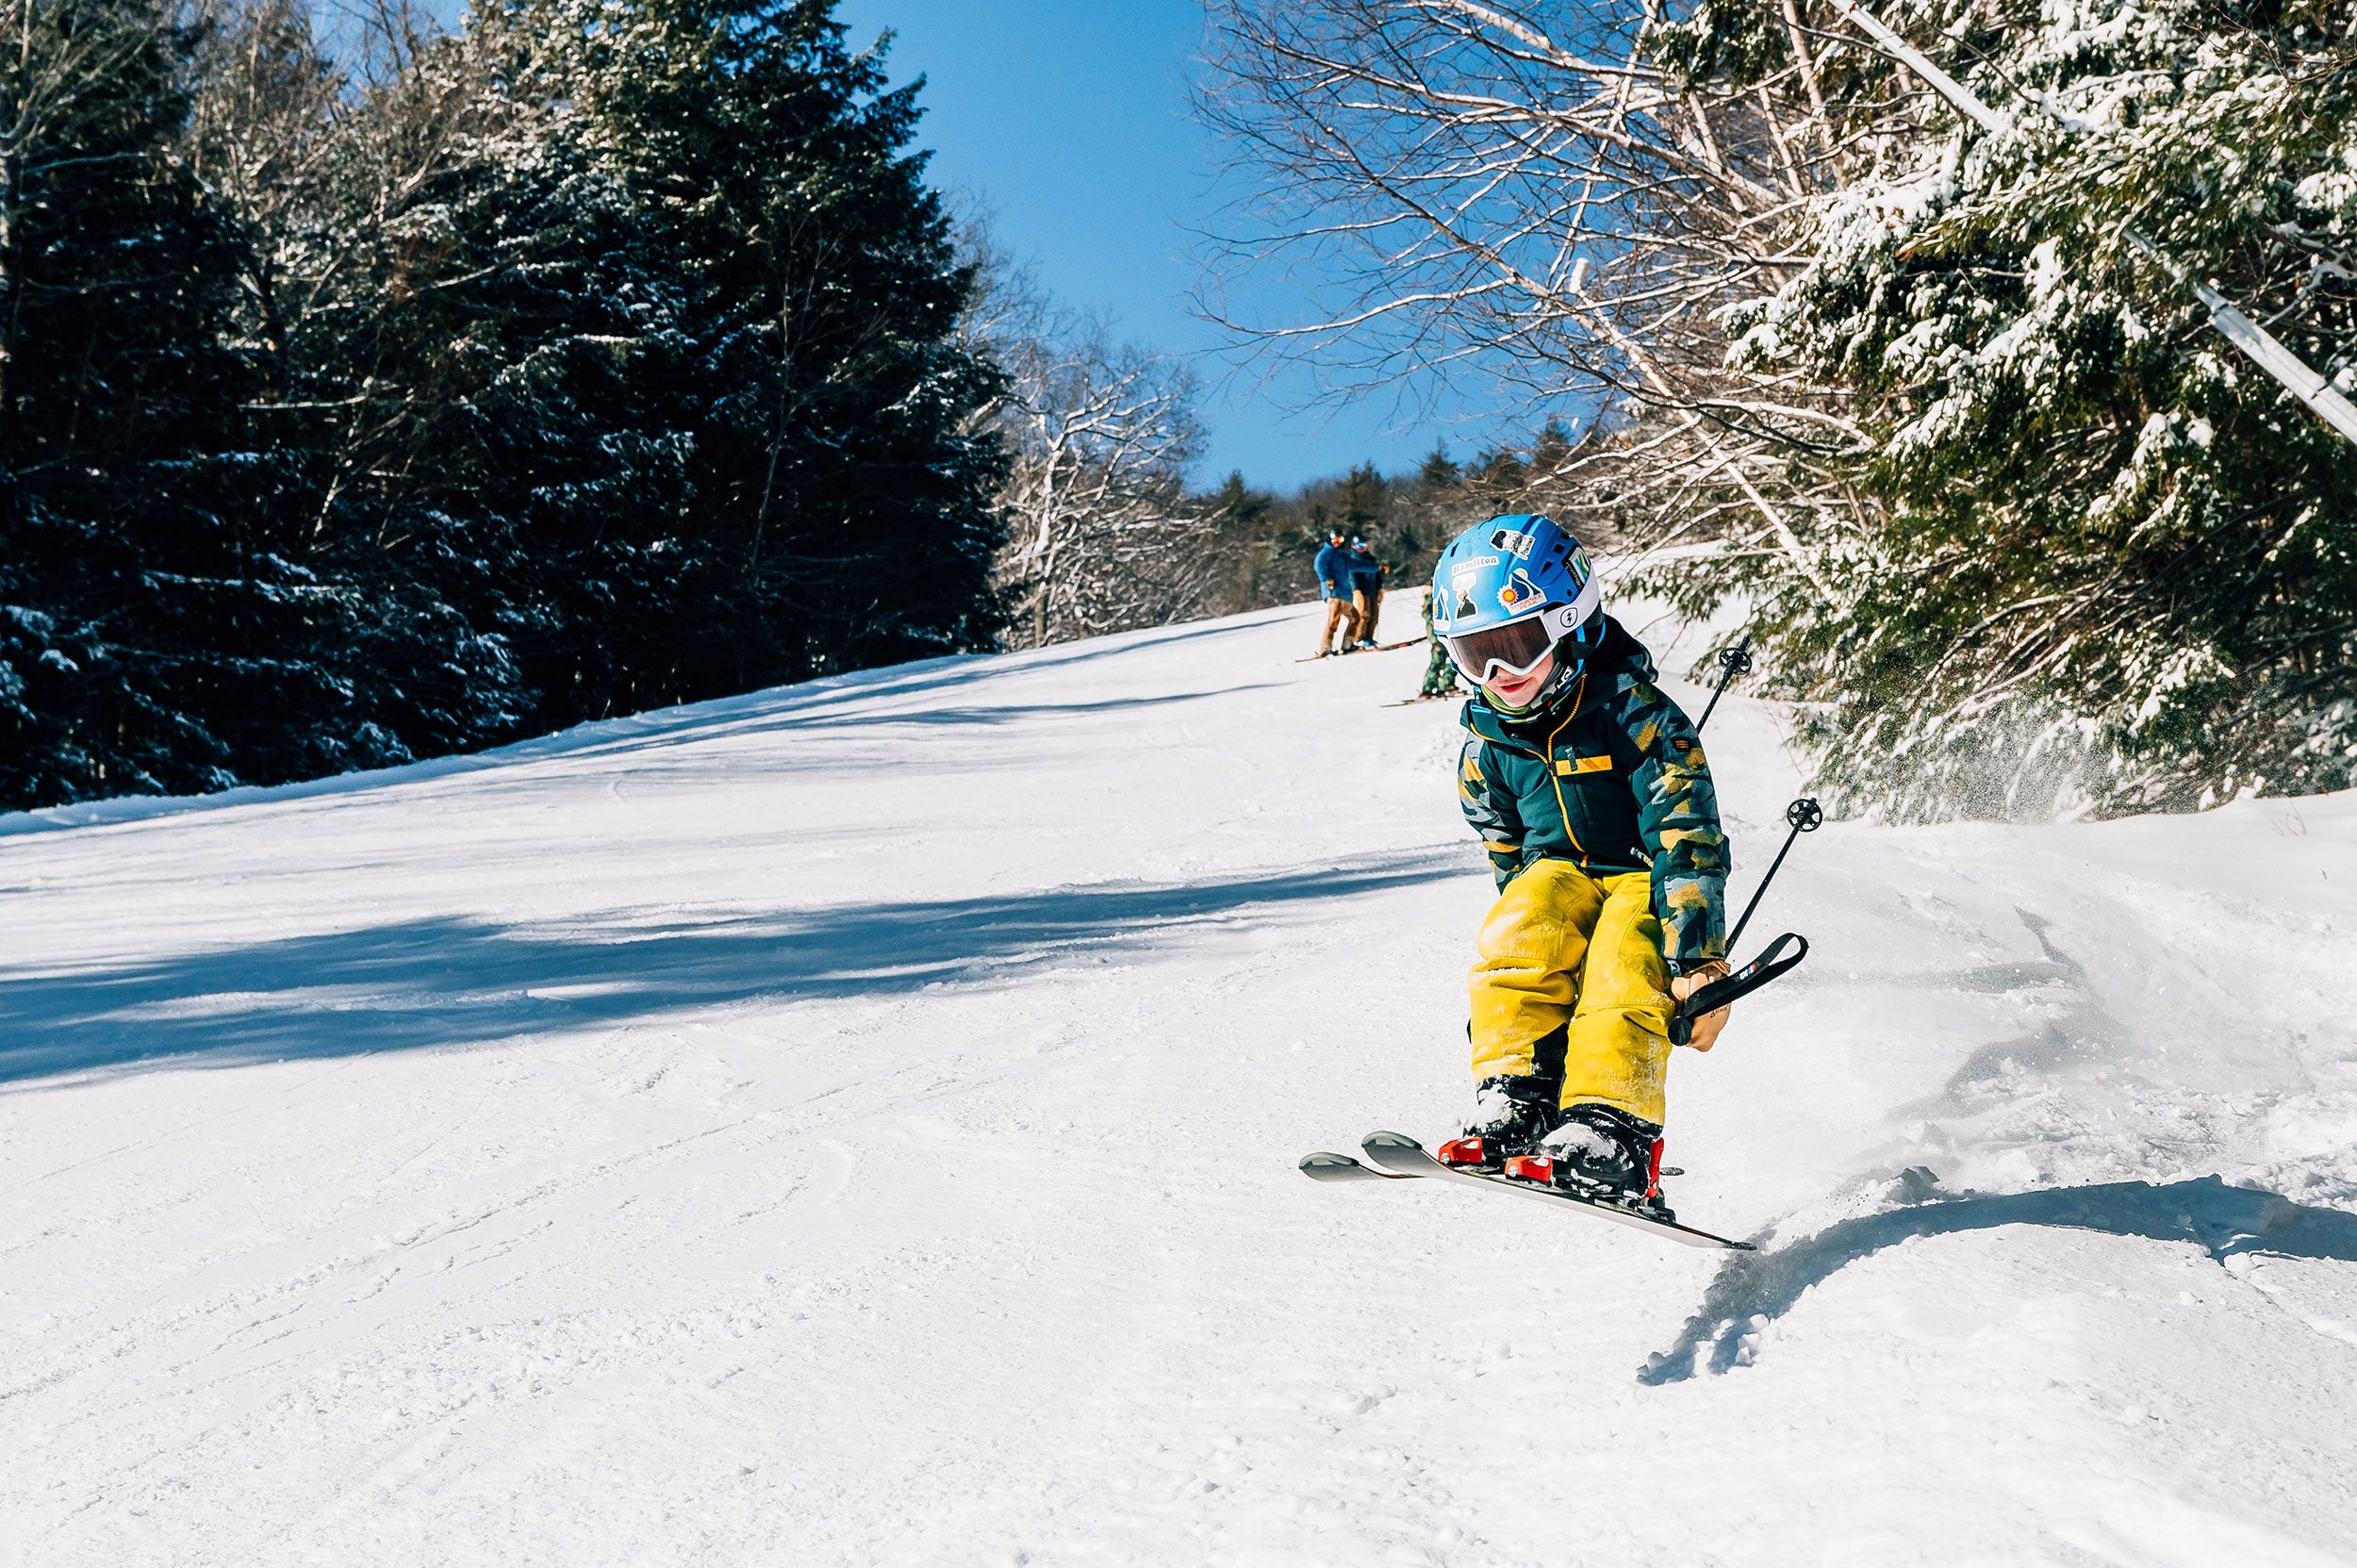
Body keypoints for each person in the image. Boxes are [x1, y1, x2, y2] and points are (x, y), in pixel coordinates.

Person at [1426, 513, 1732, 1204]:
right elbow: (1507, 859)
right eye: (1477, 656)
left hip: (1641, 875)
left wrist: (1698, 958)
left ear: (1571, 621)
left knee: (1625, 953)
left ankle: (1610, 1128)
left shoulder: (1638, 717)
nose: (1500, 675)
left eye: (1519, 645)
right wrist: (1543, 955)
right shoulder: (1488, 750)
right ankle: (1517, 1095)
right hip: (1562, 877)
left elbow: (1689, 835)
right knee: (1525, 916)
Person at [1312, 527, 1360, 656]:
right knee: (1334, 621)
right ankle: (1325, 648)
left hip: (1345, 595)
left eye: (1340, 539)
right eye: (1335, 539)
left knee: (1355, 618)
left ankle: (1348, 643)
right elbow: (1319, 565)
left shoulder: (1342, 556)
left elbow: (1358, 565)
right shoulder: (1326, 553)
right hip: (1334, 594)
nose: (1337, 542)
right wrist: (1326, 579)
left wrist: (1376, 567)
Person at [1347, 537, 1387, 648]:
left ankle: (1369, 637)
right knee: (1364, 614)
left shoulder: (1371, 559)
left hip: (1373, 590)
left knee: (1374, 614)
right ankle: (1359, 638)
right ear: (1354, 546)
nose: (1362, 548)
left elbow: (1377, 574)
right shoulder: (1353, 559)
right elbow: (1352, 575)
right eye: (1359, 546)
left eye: (1364, 545)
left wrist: (1380, 588)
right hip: (1361, 591)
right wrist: (1356, 589)